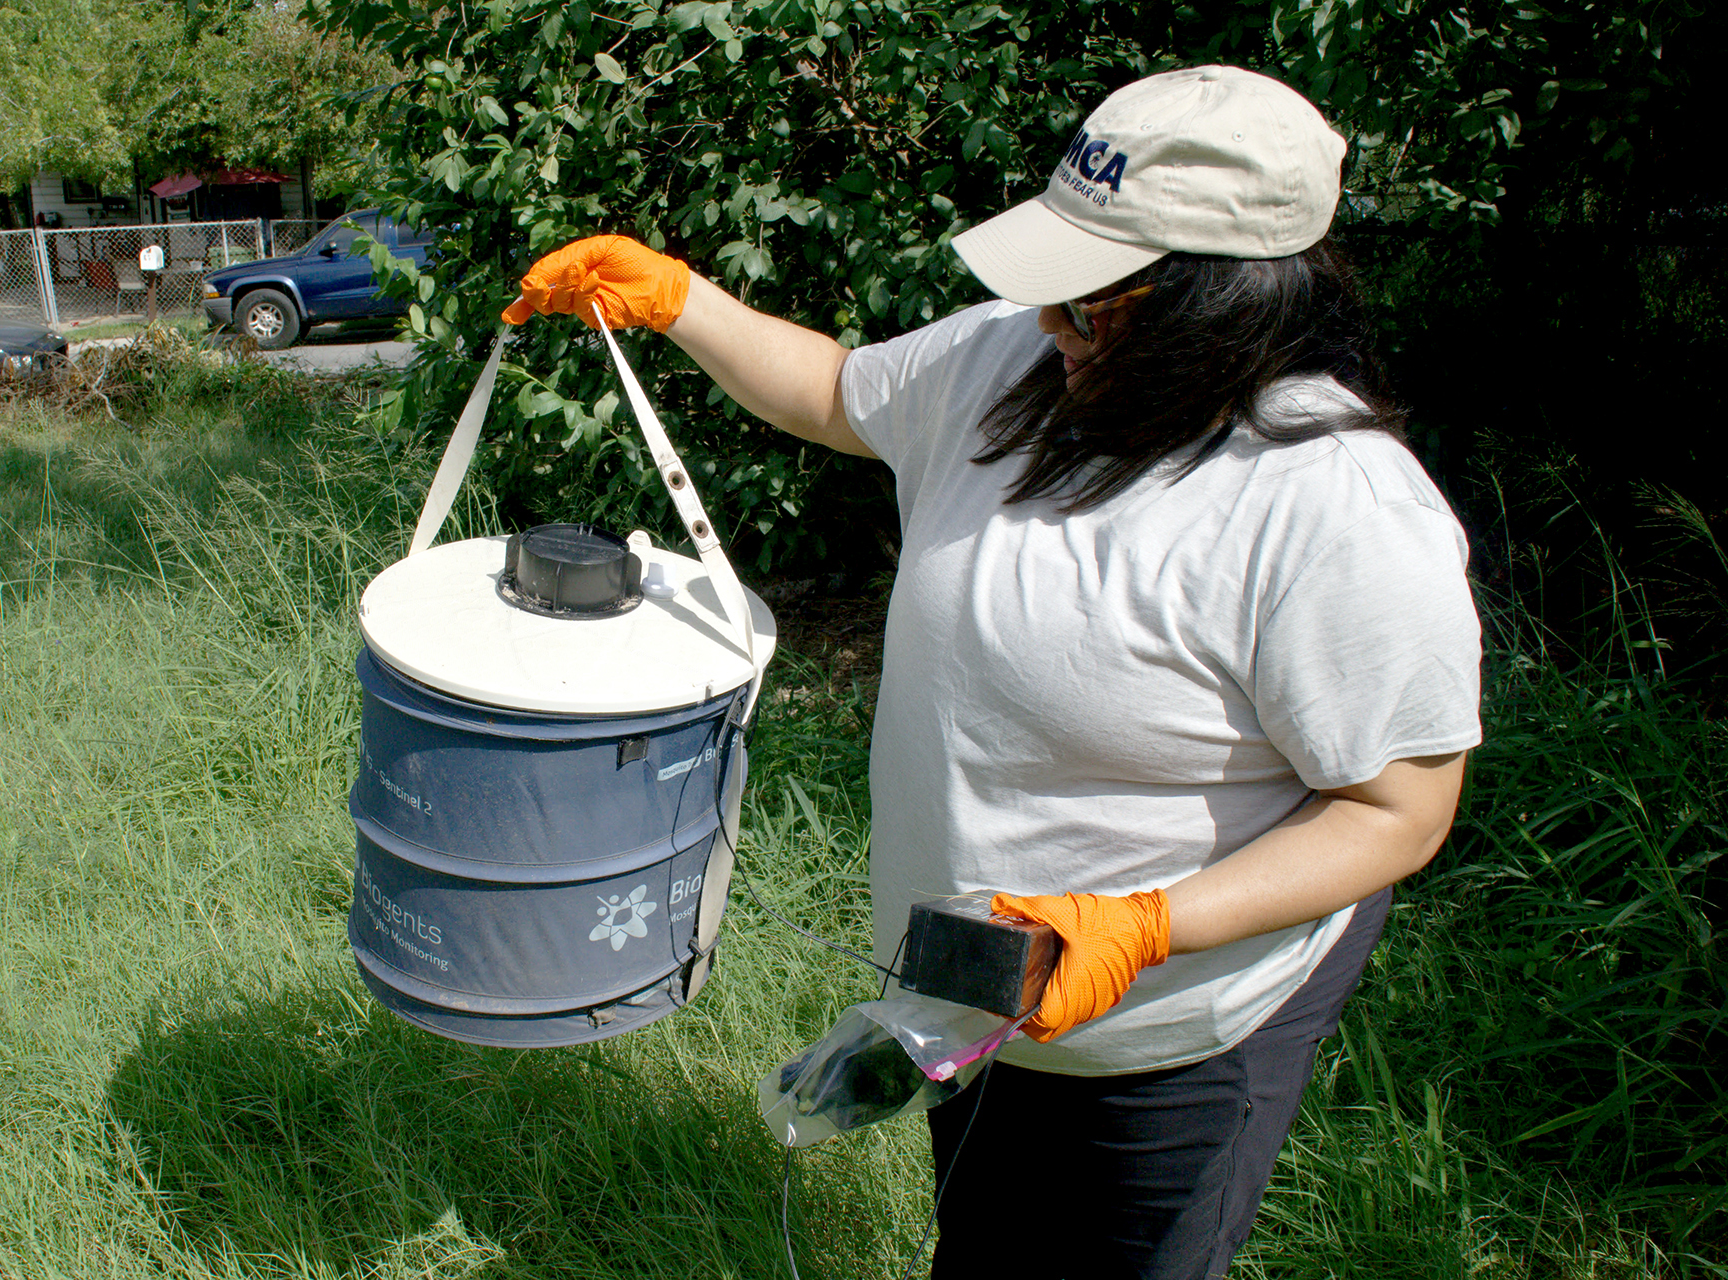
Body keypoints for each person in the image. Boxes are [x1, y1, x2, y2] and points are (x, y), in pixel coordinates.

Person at [502, 66, 1482, 1280]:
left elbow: (1401, 807)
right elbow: (835, 392)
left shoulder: (1334, 508)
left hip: (1166, 1033)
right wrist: (677, 299)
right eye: (1053, 293)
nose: (1053, 326)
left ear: (1232, 304)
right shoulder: (1012, 362)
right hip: (976, 994)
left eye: (1096, 305)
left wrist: (1147, 923)